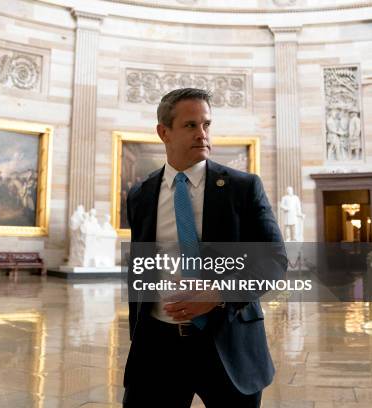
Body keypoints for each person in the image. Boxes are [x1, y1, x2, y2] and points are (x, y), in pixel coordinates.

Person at [123, 88, 287, 407]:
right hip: (157, 349)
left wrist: (219, 293)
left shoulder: (243, 187)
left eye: (206, 125)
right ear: (163, 132)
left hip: (229, 346)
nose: (202, 134)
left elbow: (275, 260)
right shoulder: (140, 194)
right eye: (190, 125)